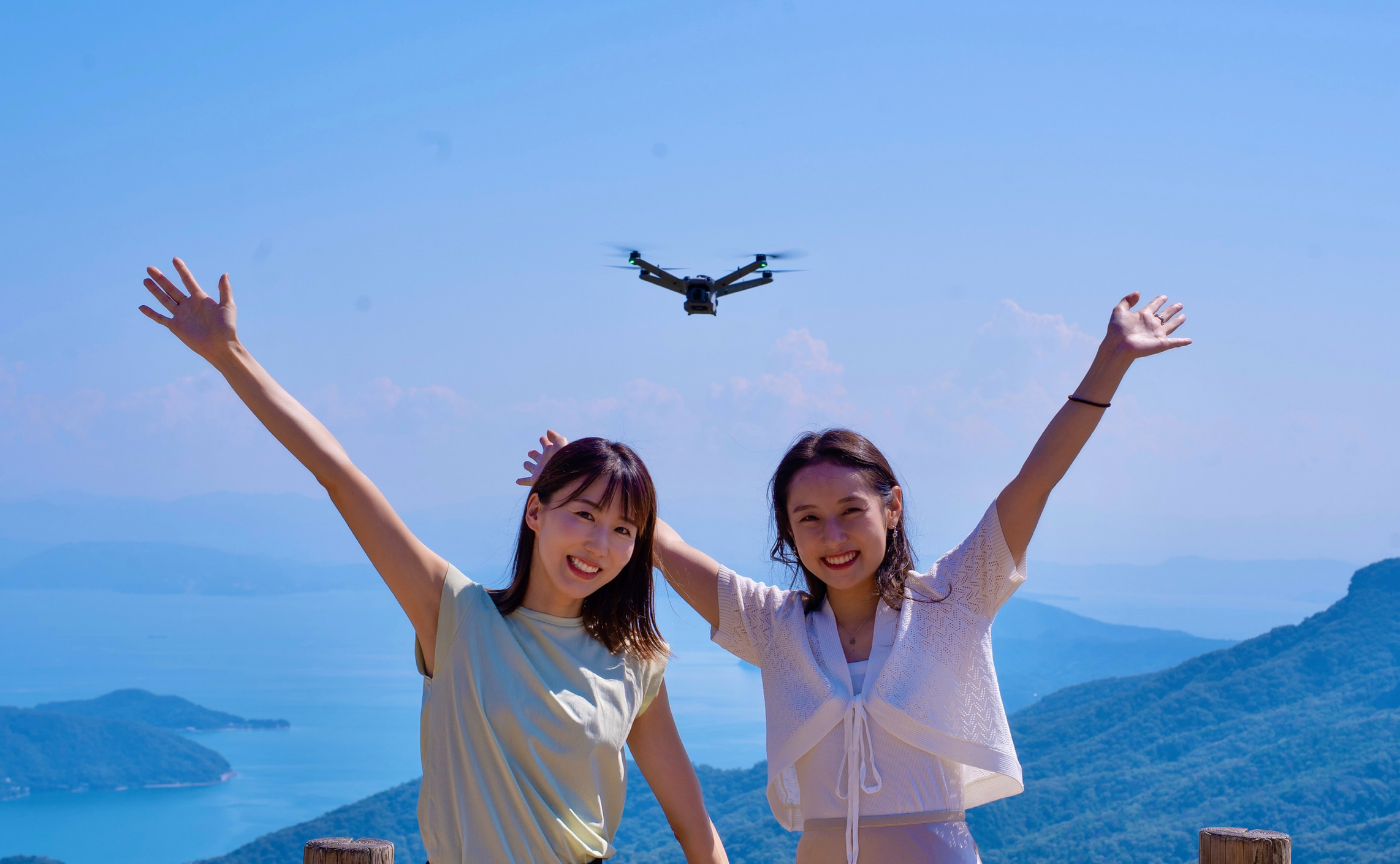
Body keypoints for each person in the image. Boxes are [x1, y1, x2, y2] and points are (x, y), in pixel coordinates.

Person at [519, 293, 1190, 864]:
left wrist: (1110, 362)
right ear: (787, 531)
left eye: (851, 512)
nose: (832, 538)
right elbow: (662, 543)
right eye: (807, 519)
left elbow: (1034, 481)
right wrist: (578, 478)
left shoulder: (954, 598)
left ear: (891, 509)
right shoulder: (774, 627)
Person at [137, 258, 728, 864]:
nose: (599, 544)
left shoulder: (634, 662)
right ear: (535, 513)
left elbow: (695, 829)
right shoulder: (457, 617)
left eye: (623, 529)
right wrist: (230, 354)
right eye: (583, 515)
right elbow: (340, 476)